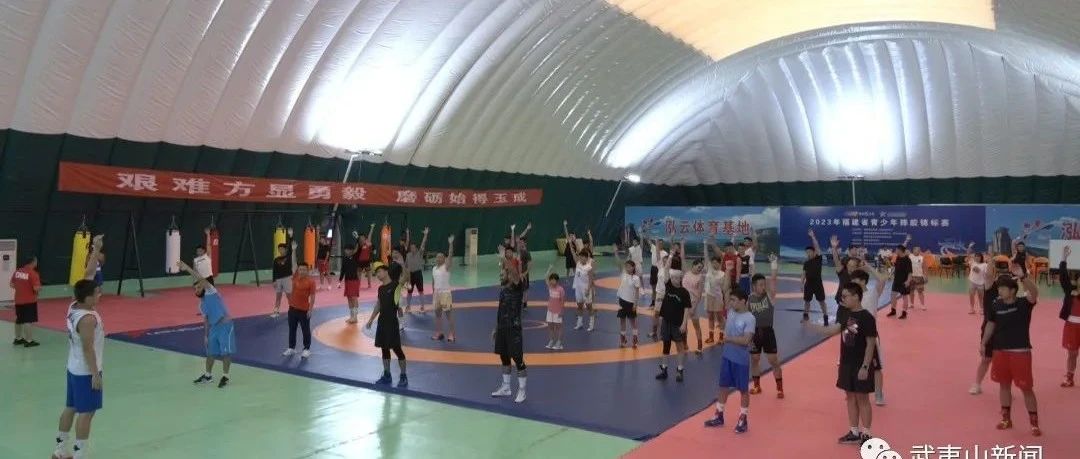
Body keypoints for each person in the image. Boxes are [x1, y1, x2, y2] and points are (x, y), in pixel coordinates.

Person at [806, 282, 879, 445]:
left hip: (860, 364)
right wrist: (811, 327)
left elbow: (870, 344)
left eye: (845, 296)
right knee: (850, 397)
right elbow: (833, 330)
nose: (842, 299)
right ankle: (854, 431)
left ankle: (867, 434)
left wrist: (865, 366)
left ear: (856, 297)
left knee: (862, 399)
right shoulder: (846, 314)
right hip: (846, 363)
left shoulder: (867, 318)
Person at [981, 274, 1041, 436]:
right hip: (1000, 351)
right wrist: (984, 342)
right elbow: (991, 324)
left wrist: (1023, 277)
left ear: (1013, 290)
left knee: (1026, 388)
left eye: (1003, 288)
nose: (1000, 291)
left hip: (1020, 352)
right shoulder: (996, 304)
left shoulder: (1023, 303)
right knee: (1004, 385)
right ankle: (1006, 419)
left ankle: (1034, 424)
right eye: (999, 288)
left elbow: (1034, 293)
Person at [52, 274, 103, 459]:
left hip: (73, 367)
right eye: (97, 293)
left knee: (71, 407)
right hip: (85, 371)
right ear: (87, 297)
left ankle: (60, 450)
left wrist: (94, 256)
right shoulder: (88, 319)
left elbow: (87, 276)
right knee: (86, 412)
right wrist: (95, 374)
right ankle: (79, 454)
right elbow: (88, 348)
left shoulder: (73, 306)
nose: (100, 295)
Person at [704, 288, 755, 433]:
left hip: (740, 361)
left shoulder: (750, 318)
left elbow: (746, 341)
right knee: (723, 386)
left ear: (743, 301)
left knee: (743, 390)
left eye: (733, 300)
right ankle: (719, 415)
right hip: (727, 357)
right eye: (730, 300)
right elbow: (726, 325)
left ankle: (743, 420)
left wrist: (729, 339)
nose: (731, 303)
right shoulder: (731, 312)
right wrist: (721, 322)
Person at [178, 261, 235, 388]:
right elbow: (206, 320)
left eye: (198, 287)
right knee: (210, 353)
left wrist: (187, 268)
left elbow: (200, 278)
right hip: (214, 328)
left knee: (225, 353)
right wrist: (206, 336)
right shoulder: (201, 305)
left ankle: (225, 376)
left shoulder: (211, 291)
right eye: (195, 289)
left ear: (204, 287)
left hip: (225, 326)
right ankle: (208, 376)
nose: (196, 290)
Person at [847, 266, 890, 406]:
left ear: (863, 281)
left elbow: (882, 279)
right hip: (853, 331)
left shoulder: (873, 293)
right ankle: (852, 391)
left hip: (869, 334)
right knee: (851, 364)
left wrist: (869, 267)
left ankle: (878, 393)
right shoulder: (852, 297)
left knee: (876, 367)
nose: (852, 284)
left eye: (855, 281)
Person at [366, 263, 408, 387]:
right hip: (382, 322)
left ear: (386, 271)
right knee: (384, 349)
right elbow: (378, 304)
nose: (378, 275)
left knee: (397, 349)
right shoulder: (380, 289)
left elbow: (406, 277)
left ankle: (403, 376)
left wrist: (402, 263)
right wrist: (371, 319)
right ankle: (387, 375)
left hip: (392, 323)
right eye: (376, 273)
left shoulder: (395, 285)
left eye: (379, 272)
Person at [491, 258, 528, 403]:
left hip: (514, 328)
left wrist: (505, 260)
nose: (500, 276)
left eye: (503, 274)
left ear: (510, 276)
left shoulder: (517, 288)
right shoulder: (503, 291)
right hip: (502, 328)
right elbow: (500, 311)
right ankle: (506, 387)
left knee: (518, 359)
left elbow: (515, 273)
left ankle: (522, 391)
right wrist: (496, 328)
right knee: (504, 358)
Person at [748, 255, 783, 398]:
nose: (763, 287)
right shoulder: (749, 299)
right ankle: (757, 386)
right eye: (761, 285)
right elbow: (746, 318)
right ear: (754, 286)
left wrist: (773, 263)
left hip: (768, 332)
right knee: (755, 359)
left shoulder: (769, 296)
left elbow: (773, 280)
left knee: (773, 360)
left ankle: (780, 388)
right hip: (754, 333)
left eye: (764, 284)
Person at [656, 249, 691, 382]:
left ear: (681, 278)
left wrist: (684, 324)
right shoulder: (669, 286)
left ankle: (680, 370)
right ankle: (664, 369)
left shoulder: (684, 292)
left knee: (679, 346)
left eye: (678, 278)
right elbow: (666, 269)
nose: (675, 280)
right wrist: (670, 256)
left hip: (677, 323)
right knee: (666, 345)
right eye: (674, 278)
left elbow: (687, 309)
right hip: (666, 321)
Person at [971, 272, 1004, 395]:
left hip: (1004, 332)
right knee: (985, 359)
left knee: (1004, 362)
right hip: (988, 331)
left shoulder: (1011, 299)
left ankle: (1005, 388)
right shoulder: (990, 291)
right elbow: (989, 275)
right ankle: (977, 384)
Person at [282, 262, 316, 359]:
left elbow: (313, 297)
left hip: (304, 310)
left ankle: (306, 349)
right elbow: (293, 263)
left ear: (307, 271)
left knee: (305, 330)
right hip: (292, 309)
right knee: (292, 329)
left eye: (304, 270)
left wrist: (310, 310)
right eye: (300, 269)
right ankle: (291, 348)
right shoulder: (295, 278)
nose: (302, 271)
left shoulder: (311, 282)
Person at [1057, 245, 1079, 388]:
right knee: (1072, 354)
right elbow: (1063, 276)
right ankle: (1070, 378)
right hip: (1071, 327)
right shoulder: (1069, 291)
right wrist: (1064, 258)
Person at [613, 249, 643, 348]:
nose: (627, 268)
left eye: (629, 266)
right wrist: (616, 253)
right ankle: (623, 340)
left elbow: (637, 293)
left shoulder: (636, 278)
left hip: (630, 303)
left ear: (633, 267)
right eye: (626, 266)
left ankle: (635, 340)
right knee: (622, 321)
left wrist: (635, 304)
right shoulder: (623, 274)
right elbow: (618, 263)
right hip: (622, 301)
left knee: (633, 322)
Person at [11, 255, 42, 347]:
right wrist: (40, 289)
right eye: (36, 261)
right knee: (28, 320)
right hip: (29, 301)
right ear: (33, 262)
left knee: (19, 319)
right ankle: (29, 340)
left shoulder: (17, 272)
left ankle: (18, 338)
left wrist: (21, 289)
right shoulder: (33, 273)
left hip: (18, 300)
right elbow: (36, 288)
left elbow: (12, 284)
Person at [680, 242, 705, 354]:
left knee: (696, 326)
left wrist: (694, 308)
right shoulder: (686, 272)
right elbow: (682, 257)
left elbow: (699, 295)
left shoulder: (700, 278)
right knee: (683, 325)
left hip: (692, 304)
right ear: (693, 265)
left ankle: (700, 347)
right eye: (698, 267)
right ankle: (685, 345)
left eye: (701, 268)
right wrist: (682, 244)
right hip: (682, 304)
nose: (700, 269)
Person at [431, 234, 457, 342]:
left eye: (441, 257)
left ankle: (452, 334)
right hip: (436, 294)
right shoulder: (434, 268)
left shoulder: (446, 267)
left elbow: (450, 255)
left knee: (448, 315)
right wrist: (433, 293)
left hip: (445, 293)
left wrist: (450, 244)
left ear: (444, 259)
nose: (438, 258)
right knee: (437, 315)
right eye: (437, 257)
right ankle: (439, 333)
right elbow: (433, 281)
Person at [703, 240, 729, 344]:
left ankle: (721, 337)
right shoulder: (709, 269)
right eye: (712, 262)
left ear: (720, 263)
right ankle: (711, 337)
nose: (714, 264)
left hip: (718, 298)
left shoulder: (723, 274)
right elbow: (706, 257)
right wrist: (705, 245)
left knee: (720, 318)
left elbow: (725, 289)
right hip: (709, 297)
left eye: (716, 263)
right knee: (710, 317)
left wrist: (726, 301)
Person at [802, 230, 828, 326]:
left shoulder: (818, 259)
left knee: (822, 302)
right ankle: (805, 317)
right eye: (807, 252)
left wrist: (812, 236)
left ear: (814, 252)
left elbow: (816, 246)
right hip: (808, 285)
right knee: (807, 301)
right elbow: (803, 274)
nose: (808, 253)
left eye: (809, 252)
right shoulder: (806, 263)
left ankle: (825, 318)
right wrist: (801, 283)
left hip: (818, 284)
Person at [271, 228, 296, 318]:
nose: (280, 250)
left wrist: (291, 236)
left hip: (287, 278)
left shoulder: (288, 256)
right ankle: (276, 311)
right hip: (278, 280)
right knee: (278, 296)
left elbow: (291, 246)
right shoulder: (276, 260)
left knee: (289, 296)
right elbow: (274, 271)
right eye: (279, 249)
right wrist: (274, 280)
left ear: (285, 250)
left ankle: (292, 310)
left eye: (282, 249)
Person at [886, 238, 913, 319]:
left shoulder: (907, 260)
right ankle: (893, 310)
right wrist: (890, 275)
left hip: (904, 281)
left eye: (896, 250)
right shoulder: (898, 257)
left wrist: (908, 281)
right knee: (893, 295)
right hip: (896, 280)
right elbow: (895, 267)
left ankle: (904, 313)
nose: (895, 251)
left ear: (900, 250)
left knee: (904, 297)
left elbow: (910, 272)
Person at [405, 228, 430, 312]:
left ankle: (422, 306)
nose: (412, 249)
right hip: (410, 276)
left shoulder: (419, 253)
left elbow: (423, 244)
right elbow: (406, 266)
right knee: (409, 292)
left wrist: (425, 234)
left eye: (413, 247)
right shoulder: (408, 255)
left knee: (421, 291)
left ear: (416, 248)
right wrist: (406, 277)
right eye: (411, 247)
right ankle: (408, 306)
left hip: (418, 274)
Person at [572, 248, 596, 331]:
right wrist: (570, 243)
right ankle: (579, 323)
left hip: (585, 289)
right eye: (580, 257)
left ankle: (591, 324)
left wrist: (588, 290)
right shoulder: (578, 263)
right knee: (579, 306)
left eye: (583, 257)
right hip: (578, 288)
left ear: (586, 258)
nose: (581, 258)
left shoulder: (589, 267)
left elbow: (591, 280)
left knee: (589, 306)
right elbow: (573, 253)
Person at [341, 235, 363, 324]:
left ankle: (355, 317)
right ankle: (351, 316)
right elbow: (343, 269)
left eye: (348, 249)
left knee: (354, 297)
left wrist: (357, 239)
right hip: (347, 280)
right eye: (345, 249)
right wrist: (340, 279)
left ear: (352, 250)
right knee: (349, 297)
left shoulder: (355, 257)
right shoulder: (345, 258)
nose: (346, 251)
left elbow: (359, 248)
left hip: (354, 280)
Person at [545, 270, 566, 350]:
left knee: (558, 327)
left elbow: (562, 301)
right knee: (550, 326)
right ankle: (551, 340)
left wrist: (561, 311)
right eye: (551, 280)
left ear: (557, 281)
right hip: (550, 310)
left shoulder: (561, 289)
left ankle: (559, 342)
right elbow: (546, 277)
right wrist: (549, 269)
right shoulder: (550, 287)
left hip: (557, 311)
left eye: (554, 280)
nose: (552, 281)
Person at [968, 244, 990, 315]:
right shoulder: (972, 262)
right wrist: (969, 247)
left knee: (981, 297)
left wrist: (980, 271)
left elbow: (987, 274)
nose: (977, 258)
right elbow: (968, 255)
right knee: (971, 295)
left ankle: (981, 309)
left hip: (981, 283)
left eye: (978, 257)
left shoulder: (985, 265)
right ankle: (972, 308)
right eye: (976, 256)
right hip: (972, 282)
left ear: (981, 258)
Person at [648, 237, 667, 308]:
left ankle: (662, 303)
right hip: (653, 269)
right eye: (659, 243)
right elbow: (648, 241)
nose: (660, 244)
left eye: (661, 243)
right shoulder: (653, 248)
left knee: (660, 288)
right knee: (653, 287)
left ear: (663, 244)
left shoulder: (665, 253)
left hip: (660, 270)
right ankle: (653, 303)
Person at [357, 224, 376, 288]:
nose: (362, 238)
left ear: (365, 238)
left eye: (363, 237)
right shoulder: (359, 244)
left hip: (366, 260)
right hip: (360, 261)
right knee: (359, 273)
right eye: (360, 237)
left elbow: (370, 234)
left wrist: (372, 227)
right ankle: (358, 284)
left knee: (368, 273)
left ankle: (369, 284)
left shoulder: (368, 242)